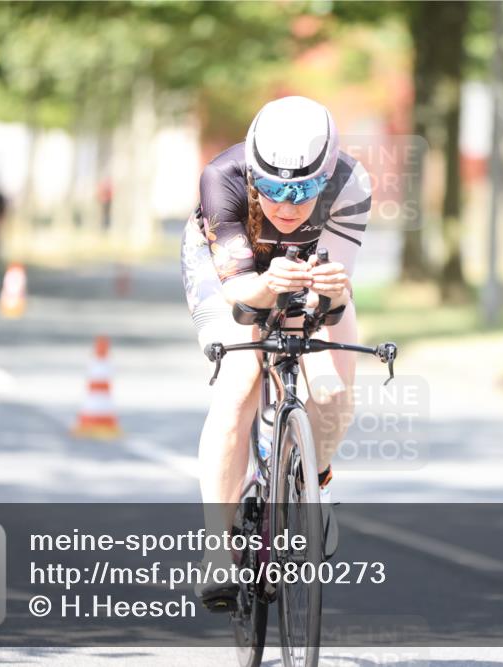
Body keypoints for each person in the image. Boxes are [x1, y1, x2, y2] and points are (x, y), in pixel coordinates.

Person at [180, 96, 371, 608]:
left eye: (303, 190)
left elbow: (333, 296)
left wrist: (328, 294)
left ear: (326, 177)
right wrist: (268, 286)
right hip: (230, 271)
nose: (285, 204)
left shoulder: (352, 183)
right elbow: (240, 293)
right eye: (270, 188)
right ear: (253, 173)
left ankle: (316, 479)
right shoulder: (221, 176)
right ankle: (217, 550)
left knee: (331, 384)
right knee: (241, 376)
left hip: (307, 270)